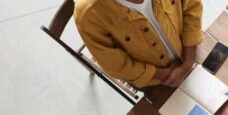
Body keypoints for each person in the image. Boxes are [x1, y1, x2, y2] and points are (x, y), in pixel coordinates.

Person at [74, 0, 203, 88]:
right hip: (155, 82)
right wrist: (165, 75)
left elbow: (192, 7)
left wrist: (187, 62)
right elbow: (117, 65)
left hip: (190, 51)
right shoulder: (88, 15)